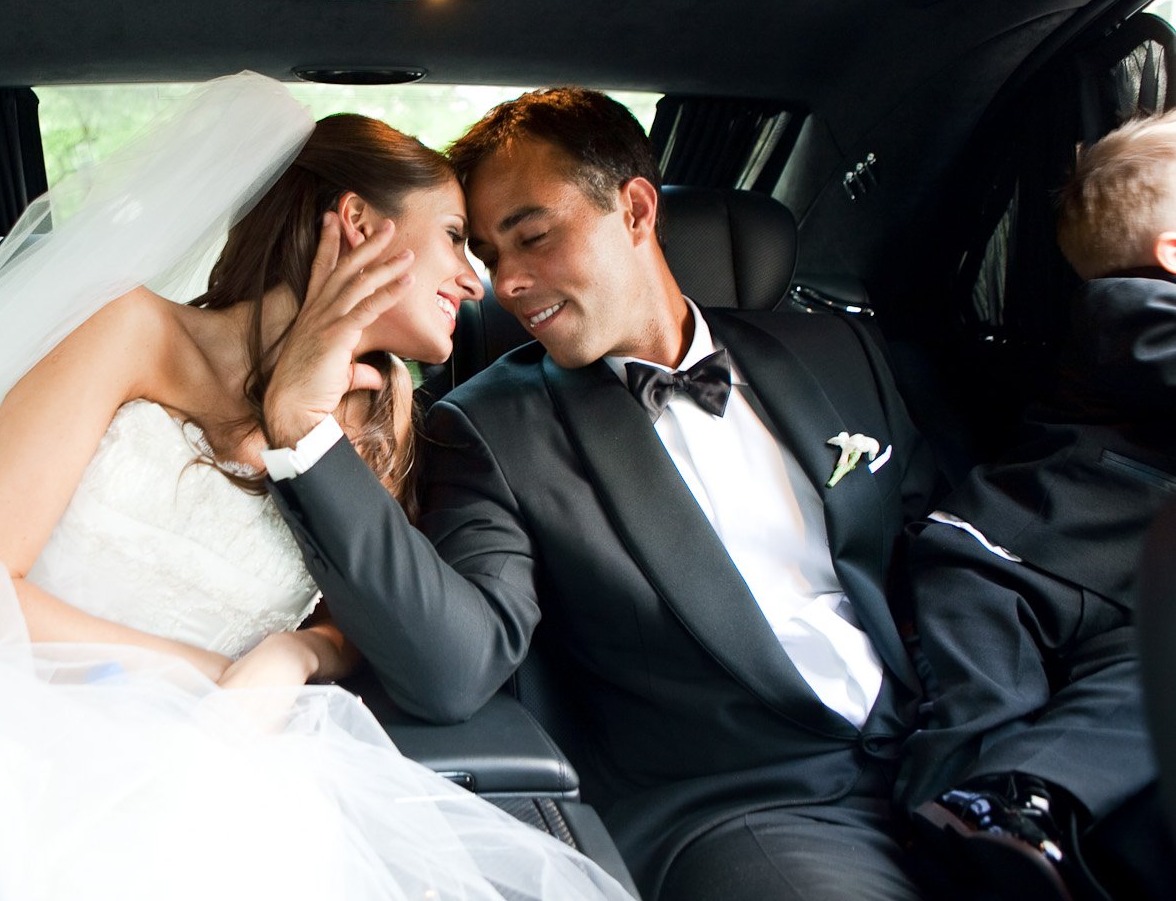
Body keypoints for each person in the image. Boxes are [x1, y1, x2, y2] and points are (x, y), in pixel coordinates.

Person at [0, 74, 634, 901]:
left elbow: (393, 621)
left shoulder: (382, 420)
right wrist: (210, 674)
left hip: (209, 757)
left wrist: (302, 652)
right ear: (356, 227)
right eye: (460, 238)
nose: (480, 281)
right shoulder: (129, 333)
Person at [262, 86, 942, 900]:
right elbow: (453, 671)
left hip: (956, 742)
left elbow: (943, 551)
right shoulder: (489, 430)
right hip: (751, 809)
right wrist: (305, 432)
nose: (506, 283)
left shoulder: (837, 349)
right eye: (486, 253)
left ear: (637, 209)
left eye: (534, 238)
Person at [899, 108, 1176, 900]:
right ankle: (947, 834)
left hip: (1118, 593)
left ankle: (1022, 815)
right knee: (977, 711)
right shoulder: (1130, 312)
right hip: (1005, 560)